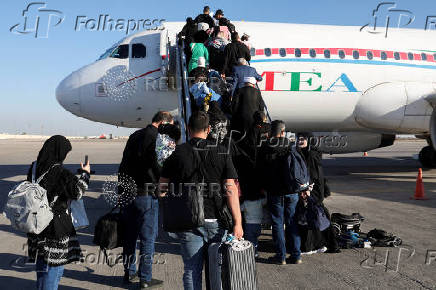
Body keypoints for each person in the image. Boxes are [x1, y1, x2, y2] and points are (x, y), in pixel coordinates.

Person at [159, 111, 243, 290]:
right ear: (209, 129)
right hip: (217, 220)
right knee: (217, 269)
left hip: (188, 221)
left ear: (188, 129)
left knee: (191, 269)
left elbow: (161, 189)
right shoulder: (221, 151)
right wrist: (238, 222)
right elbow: (231, 189)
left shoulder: (177, 153)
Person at [26, 135, 91, 290]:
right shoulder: (60, 172)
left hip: (36, 224)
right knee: (53, 270)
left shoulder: (34, 167)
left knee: (42, 266)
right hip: (54, 228)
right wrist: (86, 174)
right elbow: (78, 192)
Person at [119, 111, 173, 289]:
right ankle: (145, 278)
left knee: (129, 236)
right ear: (164, 123)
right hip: (145, 194)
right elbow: (157, 167)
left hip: (127, 193)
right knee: (148, 238)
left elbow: (124, 163)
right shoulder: (157, 138)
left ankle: (129, 272)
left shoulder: (135, 135)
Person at [257, 121, 308, 265]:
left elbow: (260, 171)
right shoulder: (291, 146)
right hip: (292, 191)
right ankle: (296, 255)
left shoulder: (265, 147)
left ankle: (281, 256)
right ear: (283, 132)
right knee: (292, 221)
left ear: (271, 132)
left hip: (275, 191)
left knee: (278, 223)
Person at [296, 133, 340, 254]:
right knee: (319, 215)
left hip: (312, 190)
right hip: (316, 189)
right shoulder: (311, 152)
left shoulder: (310, 155)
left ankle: (312, 246)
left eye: (302, 139)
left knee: (312, 216)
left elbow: (313, 174)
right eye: (298, 139)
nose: (299, 141)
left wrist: (307, 189)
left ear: (309, 140)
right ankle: (327, 244)